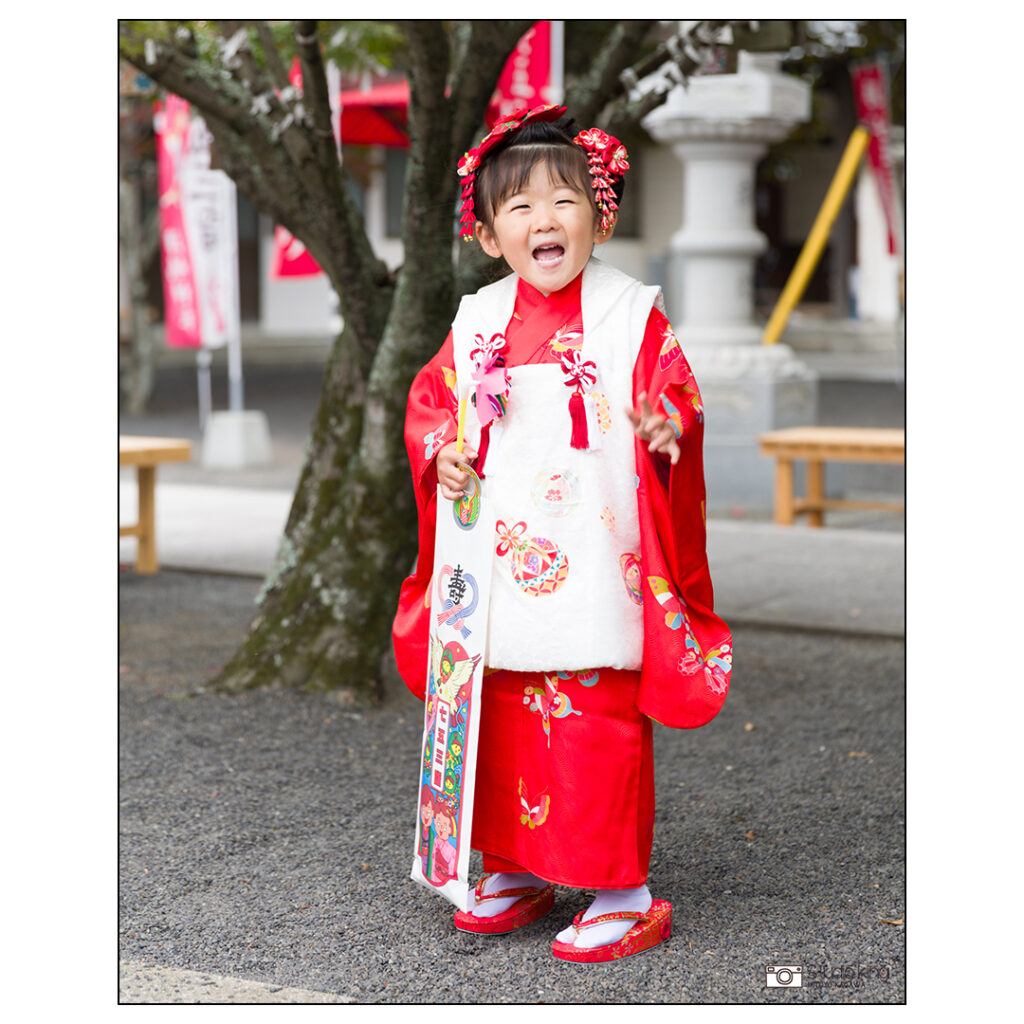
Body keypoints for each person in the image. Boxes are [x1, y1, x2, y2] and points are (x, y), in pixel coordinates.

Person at [392, 104, 732, 963]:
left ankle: (624, 892)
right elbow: (433, 401)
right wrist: (445, 454)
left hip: (594, 555)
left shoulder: (629, 312)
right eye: (520, 207)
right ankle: (511, 865)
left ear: (599, 215)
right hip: (499, 559)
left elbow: (672, 393)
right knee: (500, 711)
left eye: (563, 201)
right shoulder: (477, 321)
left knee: (592, 718)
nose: (544, 220)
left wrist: (665, 430)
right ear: (488, 235)